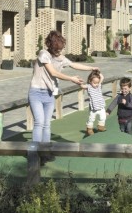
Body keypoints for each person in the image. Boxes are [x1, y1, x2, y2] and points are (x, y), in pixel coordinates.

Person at [29, 31, 97, 164]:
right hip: (36, 92)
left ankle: (45, 153)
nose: (60, 51)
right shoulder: (44, 54)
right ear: (52, 46)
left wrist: (91, 68)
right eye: (58, 48)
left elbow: (73, 64)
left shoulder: (60, 57)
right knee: (39, 122)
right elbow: (53, 72)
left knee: (47, 124)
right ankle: (34, 153)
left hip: (49, 94)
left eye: (61, 48)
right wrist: (71, 78)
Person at [84, 69, 107, 137]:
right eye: (94, 83)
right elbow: (82, 86)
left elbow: (102, 77)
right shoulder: (89, 87)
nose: (96, 84)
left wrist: (97, 71)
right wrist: (78, 82)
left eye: (97, 82)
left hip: (101, 106)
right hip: (93, 108)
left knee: (103, 117)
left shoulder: (99, 85)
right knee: (91, 118)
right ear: (90, 81)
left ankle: (101, 126)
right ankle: (89, 129)